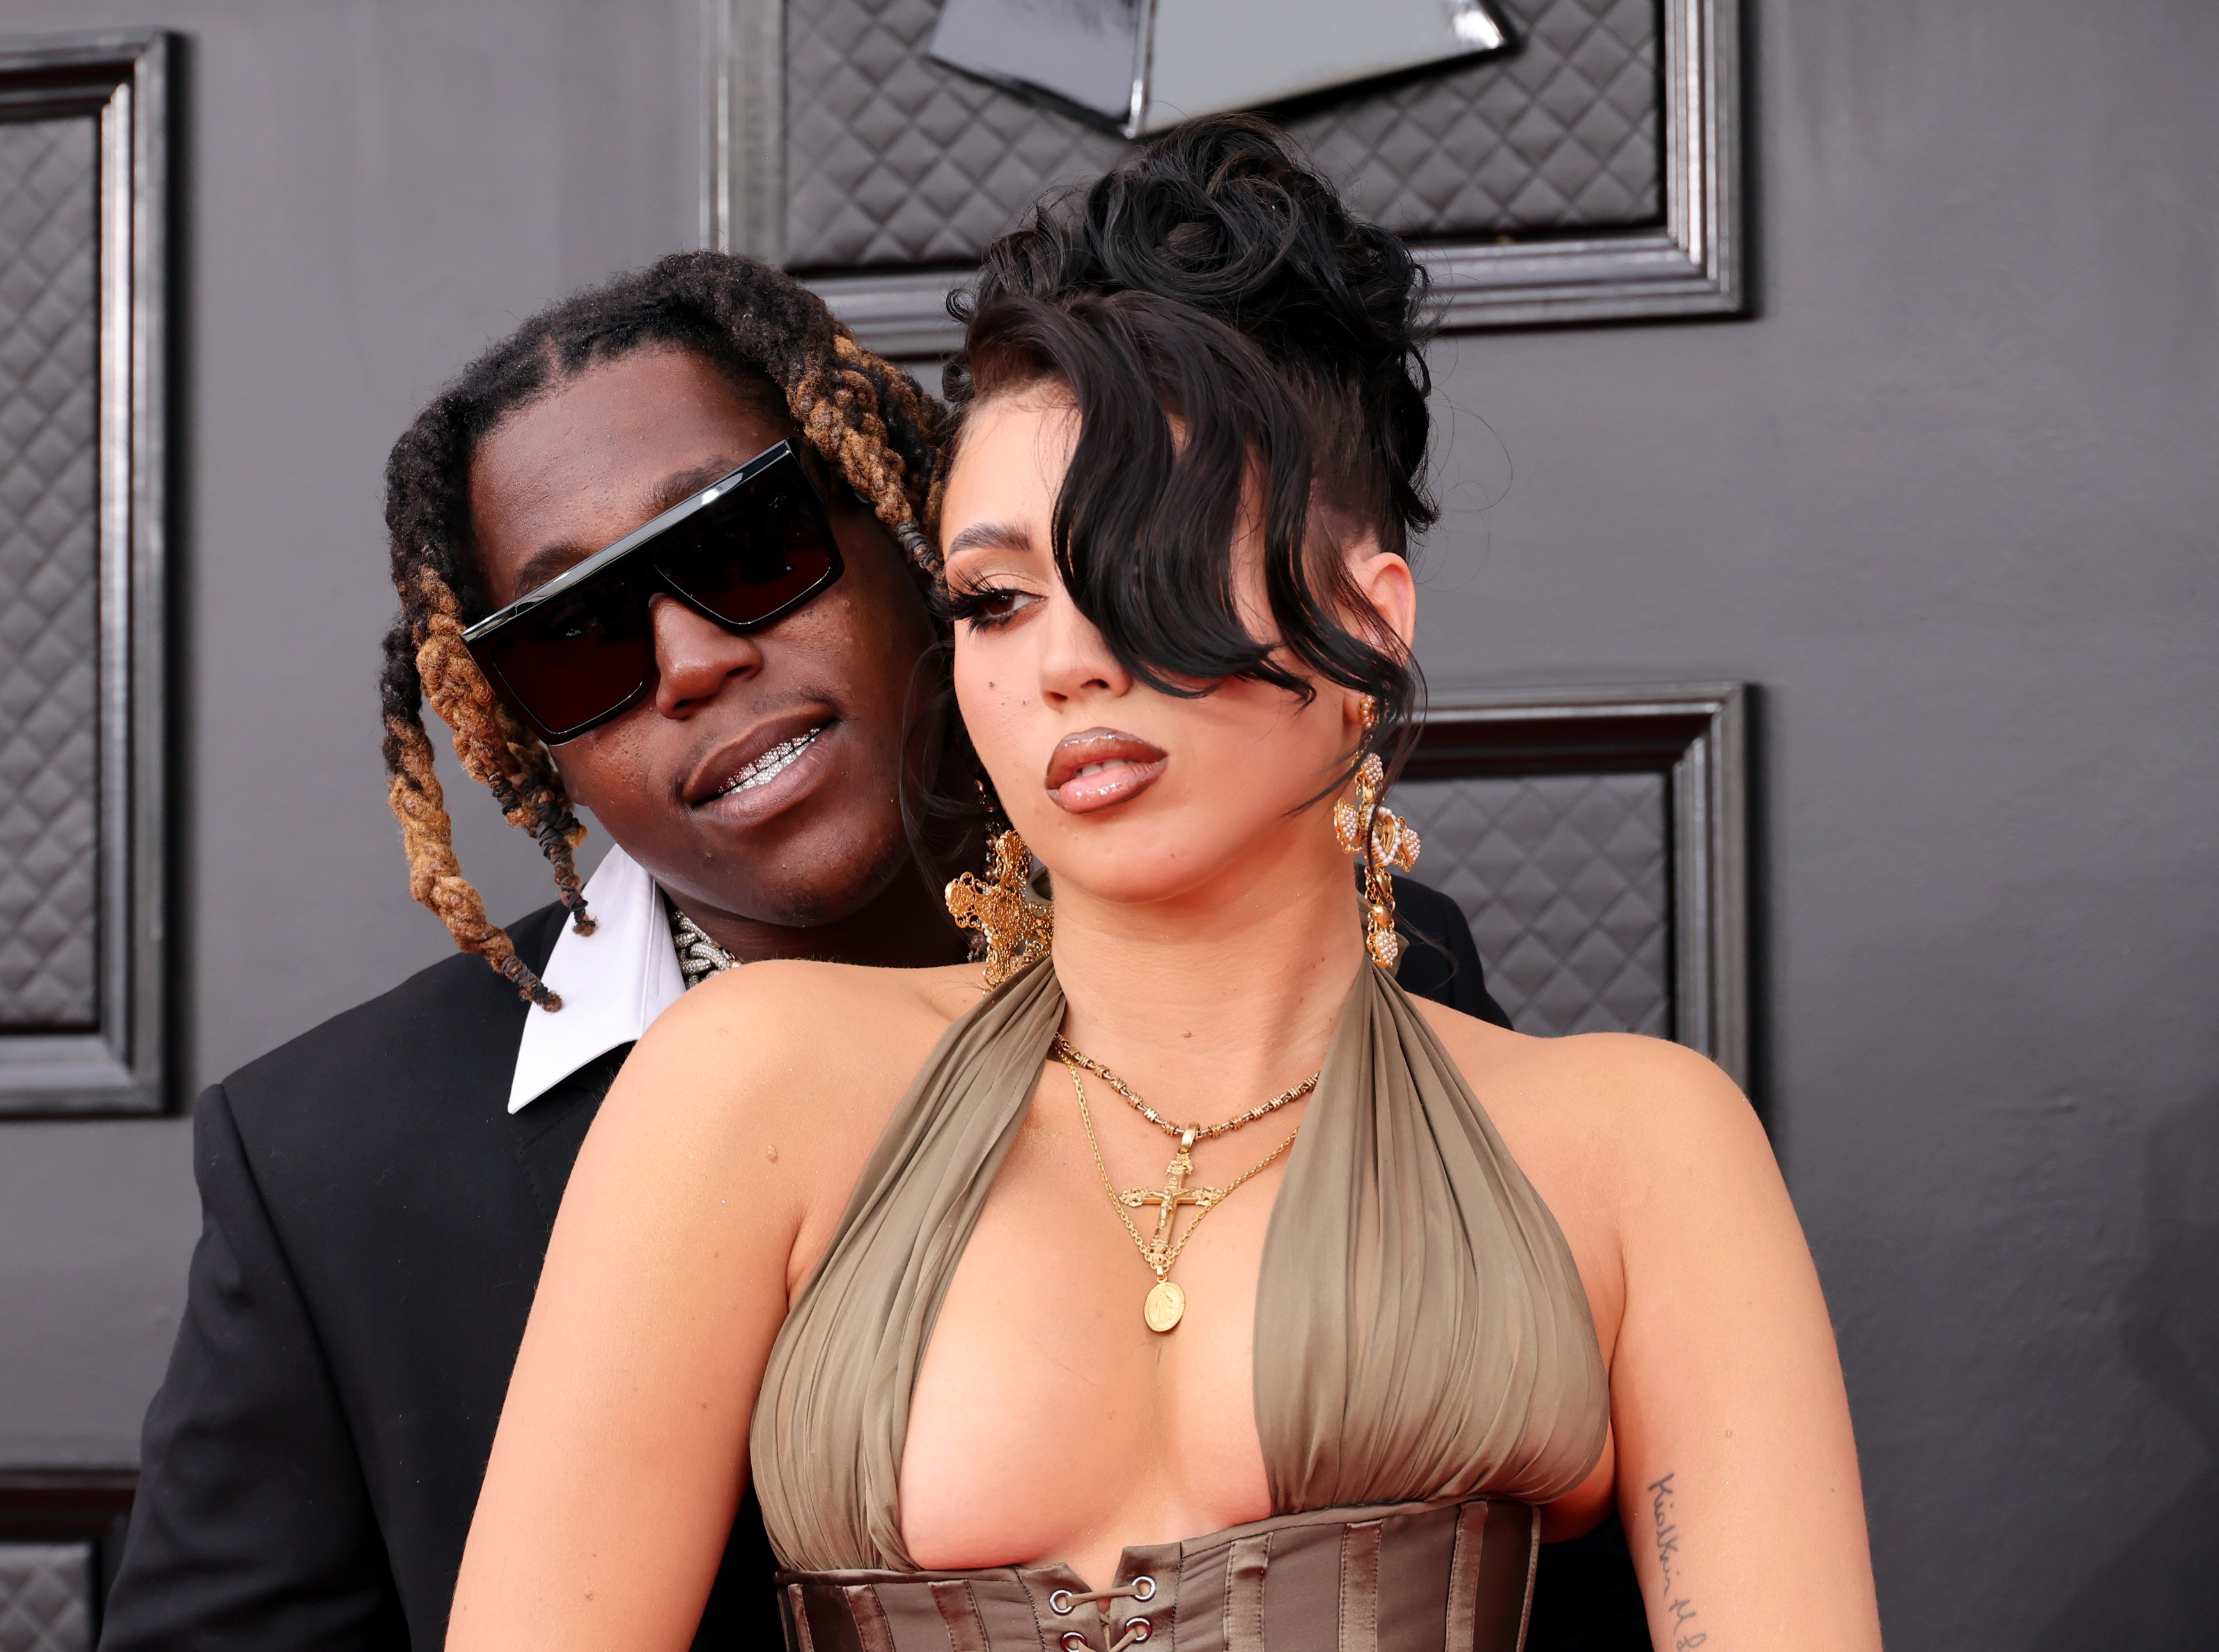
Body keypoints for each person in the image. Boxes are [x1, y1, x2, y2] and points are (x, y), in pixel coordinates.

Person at [447, 120, 1882, 1652]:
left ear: (1366, 615)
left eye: (1147, 559)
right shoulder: (751, 1084)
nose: (1066, 662)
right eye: (997, 600)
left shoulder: (1638, 1147)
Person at [98, 251, 1530, 1652]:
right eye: (576, 637)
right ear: (517, 737)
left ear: (912, 538)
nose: (689, 662)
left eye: (744, 547)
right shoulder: (334, 1162)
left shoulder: (1373, 965)